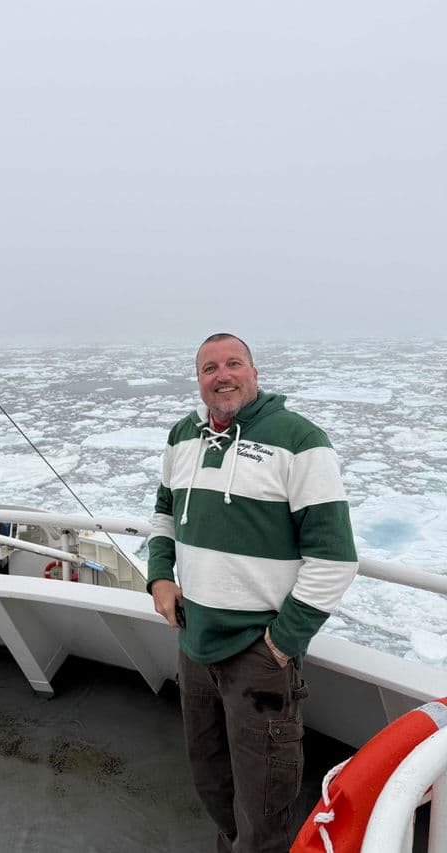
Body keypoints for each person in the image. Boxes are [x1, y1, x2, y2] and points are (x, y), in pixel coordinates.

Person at [147, 333, 358, 853]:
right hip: (194, 642)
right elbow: (163, 513)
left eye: (233, 363)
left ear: (254, 372)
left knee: (265, 794)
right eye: (209, 367)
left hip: (258, 654)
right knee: (210, 775)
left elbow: (334, 558)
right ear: (198, 381)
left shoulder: (299, 439)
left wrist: (280, 645)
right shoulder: (182, 437)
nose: (222, 375)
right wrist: (160, 575)